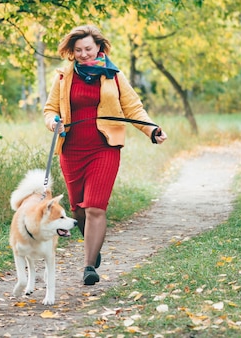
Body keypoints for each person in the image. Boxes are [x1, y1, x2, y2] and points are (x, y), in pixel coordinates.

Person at [43, 24, 168, 285]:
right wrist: (53, 122)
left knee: (95, 207)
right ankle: (93, 244)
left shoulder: (113, 75)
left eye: (88, 48)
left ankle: (89, 265)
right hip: (72, 150)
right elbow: (49, 109)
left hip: (104, 148)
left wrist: (152, 130)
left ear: (99, 47)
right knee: (78, 209)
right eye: (78, 50)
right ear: (72, 51)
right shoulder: (64, 77)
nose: (84, 54)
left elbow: (133, 108)